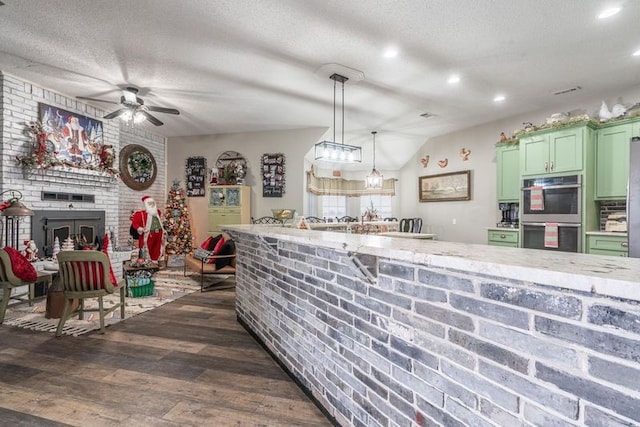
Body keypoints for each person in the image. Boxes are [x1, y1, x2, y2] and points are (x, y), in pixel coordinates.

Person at [130, 195, 165, 263]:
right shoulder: (140, 214)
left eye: (153, 203)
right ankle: (148, 262)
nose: (152, 205)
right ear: (146, 205)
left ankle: (155, 261)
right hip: (149, 234)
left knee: (157, 248)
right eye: (150, 203)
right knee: (148, 248)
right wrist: (140, 229)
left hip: (159, 233)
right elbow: (134, 223)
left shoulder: (158, 212)